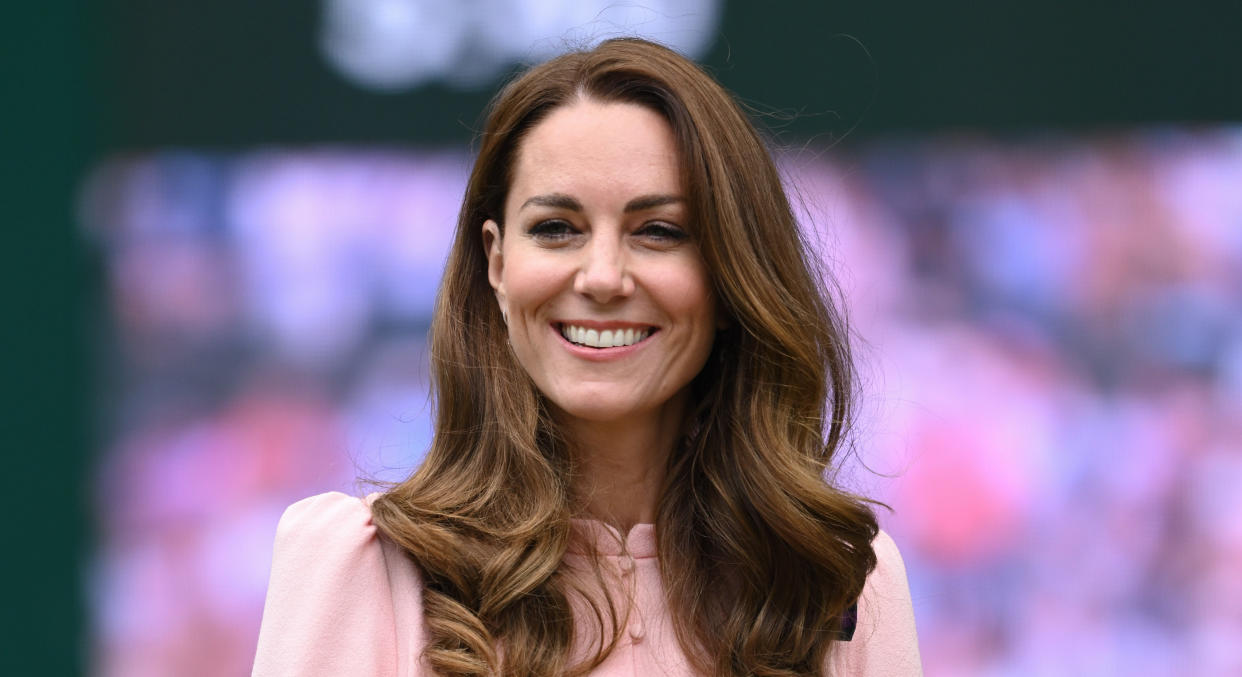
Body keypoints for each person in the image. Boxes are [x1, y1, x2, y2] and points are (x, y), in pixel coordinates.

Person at [252, 37, 920, 676]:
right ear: (497, 261)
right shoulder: (363, 567)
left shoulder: (838, 580)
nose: (602, 276)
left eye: (659, 231)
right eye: (557, 229)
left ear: (730, 269)